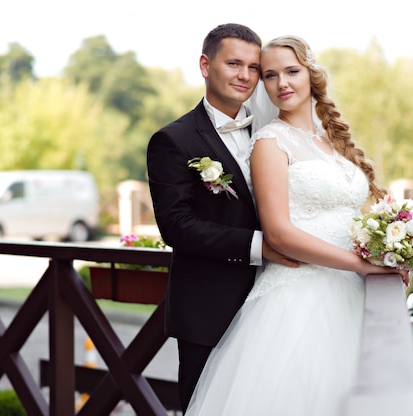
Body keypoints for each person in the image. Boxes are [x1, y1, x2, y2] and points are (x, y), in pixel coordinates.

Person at [185, 35, 407, 415]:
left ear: (311, 74)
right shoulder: (270, 142)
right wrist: (360, 265)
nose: (281, 83)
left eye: (291, 71)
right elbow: (278, 234)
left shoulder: (332, 143)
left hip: (355, 294)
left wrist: (389, 249)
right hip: (299, 297)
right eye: (270, 75)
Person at [146, 23, 298, 412]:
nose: (244, 76)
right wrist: (260, 247)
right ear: (205, 64)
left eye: (252, 67)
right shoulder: (173, 140)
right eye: (233, 63)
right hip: (209, 309)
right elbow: (176, 225)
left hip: (281, 300)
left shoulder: (276, 131)